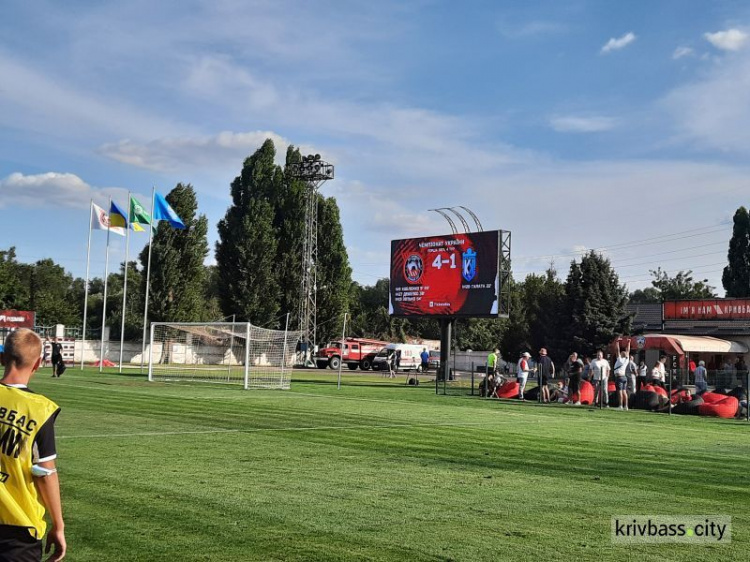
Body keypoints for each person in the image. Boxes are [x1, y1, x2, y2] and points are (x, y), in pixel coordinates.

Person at [0, 329, 66, 561]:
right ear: (37, 364)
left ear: (2, 358)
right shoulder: (39, 410)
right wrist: (58, 525)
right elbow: (45, 473)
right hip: (18, 528)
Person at [613, 340, 630, 410]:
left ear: (622, 354)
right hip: (624, 377)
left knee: (620, 392)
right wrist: (629, 342)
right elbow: (628, 350)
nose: (622, 352)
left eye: (623, 352)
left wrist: (617, 342)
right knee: (624, 392)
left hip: (619, 377)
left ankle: (620, 406)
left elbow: (617, 350)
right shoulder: (627, 360)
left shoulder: (620, 359)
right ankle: (626, 406)